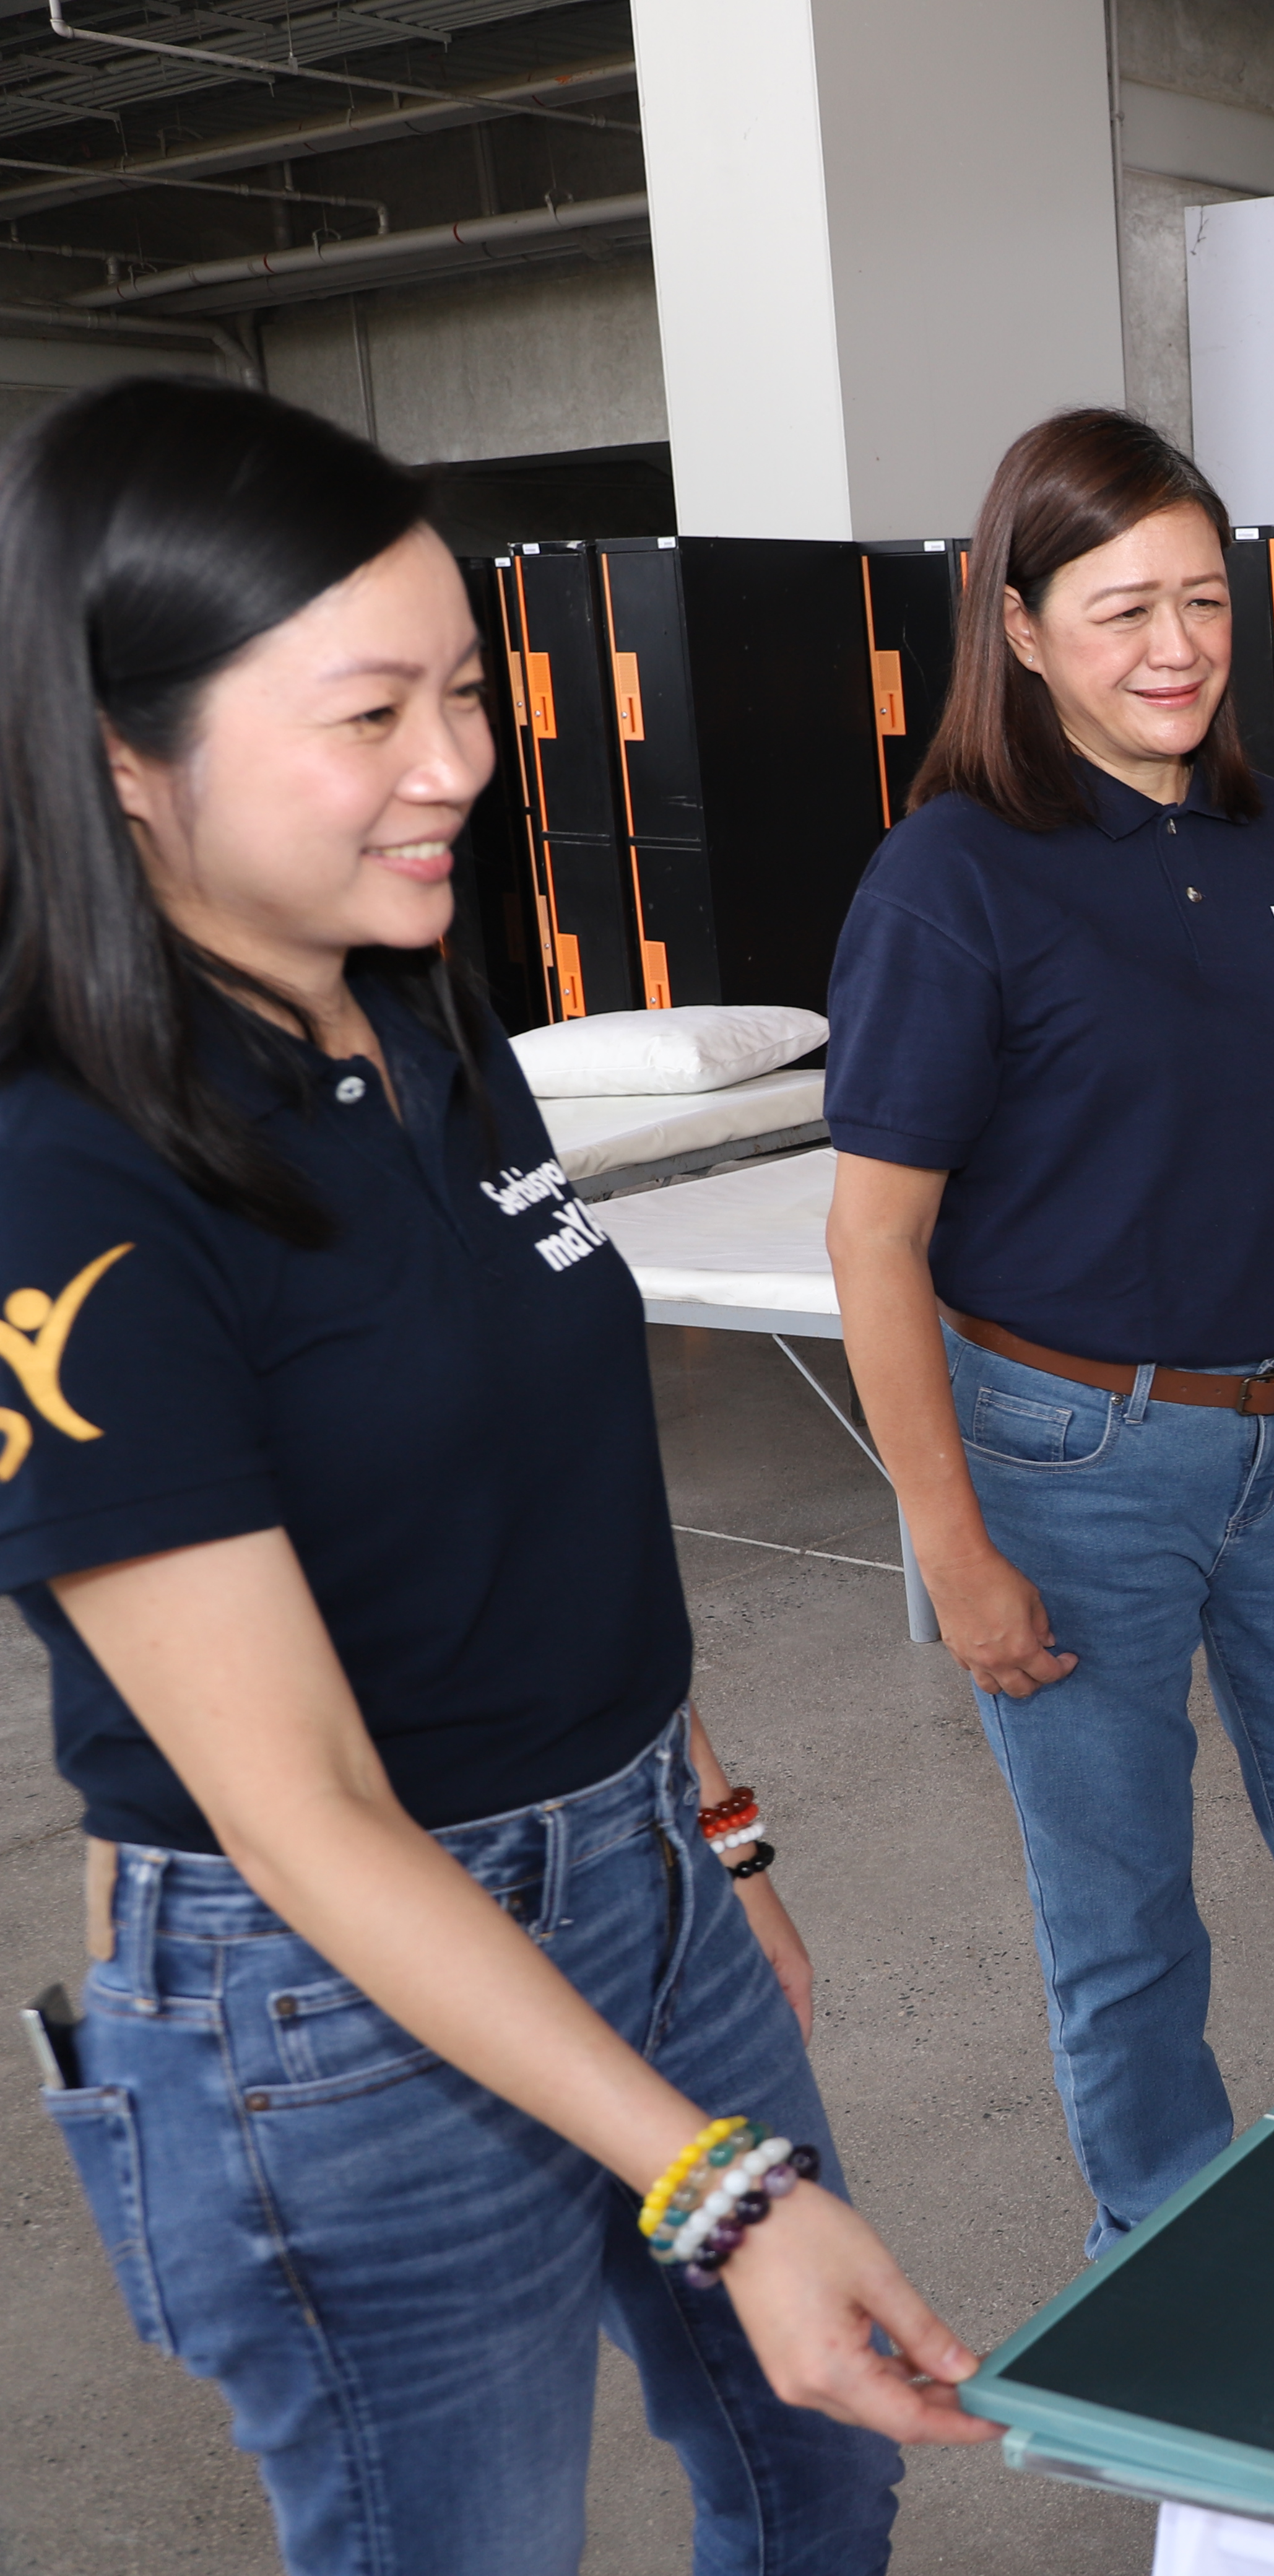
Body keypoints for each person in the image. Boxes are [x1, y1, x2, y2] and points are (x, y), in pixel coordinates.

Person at [1, 378, 981, 2571]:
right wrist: (720, 2188)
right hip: (328, 1997)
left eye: (464, 693)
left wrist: (712, 1840)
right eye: (372, 714)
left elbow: (567, 1493)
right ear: (123, 752)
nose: (456, 763)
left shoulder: (423, 1018)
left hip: (636, 1864)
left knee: (823, 2463)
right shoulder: (67, 1182)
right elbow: (303, 1811)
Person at [823, 412, 1274, 2256]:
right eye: (1121, 610)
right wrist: (955, 1547)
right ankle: (1165, 2271)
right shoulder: (954, 875)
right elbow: (876, 1237)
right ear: (1019, 628)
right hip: (1072, 1461)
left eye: (1203, 601)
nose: (1175, 647)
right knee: (1127, 1920)